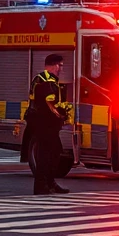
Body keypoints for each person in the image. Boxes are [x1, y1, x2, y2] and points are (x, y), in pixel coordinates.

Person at [26, 54, 70, 195]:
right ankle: (41, 186)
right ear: (53, 65)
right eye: (60, 65)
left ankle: (50, 183)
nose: (61, 69)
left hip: (49, 124)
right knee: (45, 155)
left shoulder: (50, 80)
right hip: (43, 123)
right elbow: (49, 102)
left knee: (55, 152)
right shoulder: (44, 80)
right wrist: (60, 114)